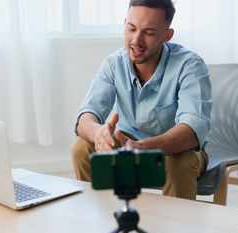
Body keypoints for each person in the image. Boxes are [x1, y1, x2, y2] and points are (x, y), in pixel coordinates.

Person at [71, 0, 212, 200]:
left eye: (149, 32)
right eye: (131, 28)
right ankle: (100, 219)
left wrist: (142, 148)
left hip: (178, 150)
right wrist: (98, 134)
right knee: (81, 148)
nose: (136, 40)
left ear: (167, 36)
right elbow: (85, 117)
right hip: (127, 141)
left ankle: (177, 228)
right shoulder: (113, 63)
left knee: (178, 161)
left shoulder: (190, 65)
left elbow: (191, 131)